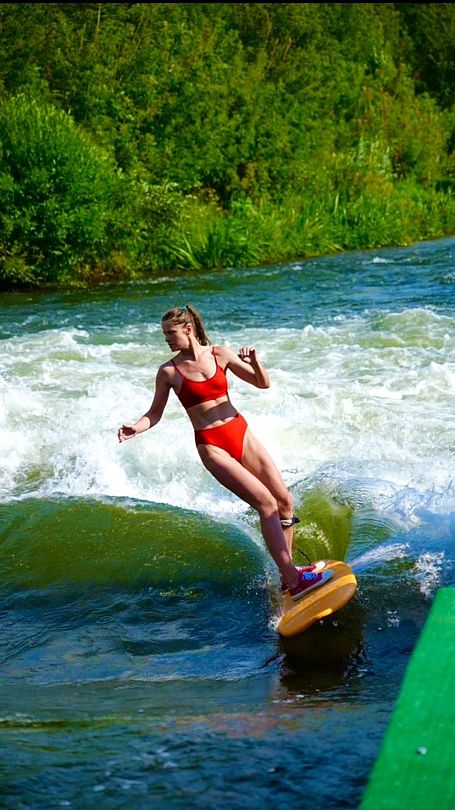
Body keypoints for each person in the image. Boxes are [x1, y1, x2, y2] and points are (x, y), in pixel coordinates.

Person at [118, 304, 332, 600]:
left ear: (188, 329)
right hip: (212, 445)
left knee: (284, 501)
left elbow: (263, 383)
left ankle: (288, 574)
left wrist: (255, 362)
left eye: (170, 333)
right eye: (164, 333)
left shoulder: (220, 354)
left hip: (240, 432)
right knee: (266, 504)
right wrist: (136, 427)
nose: (166, 338)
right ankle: (293, 579)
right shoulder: (168, 372)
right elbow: (154, 413)